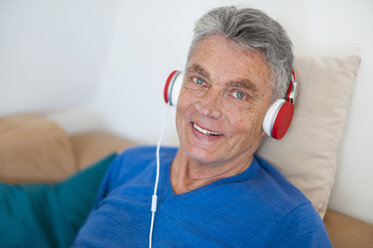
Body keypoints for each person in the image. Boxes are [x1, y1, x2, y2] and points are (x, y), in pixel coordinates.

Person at [72, 6, 332, 247]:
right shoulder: (129, 164)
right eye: (199, 80)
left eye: (238, 94)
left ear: (274, 118)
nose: (207, 108)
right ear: (176, 88)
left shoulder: (293, 223)